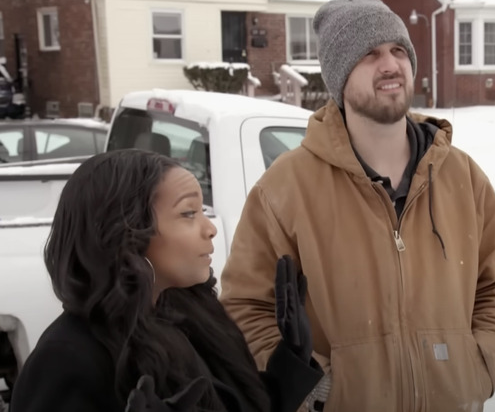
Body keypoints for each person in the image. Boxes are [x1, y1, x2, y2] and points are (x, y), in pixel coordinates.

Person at [219, 0, 495, 412]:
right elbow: (244, 306)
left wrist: (479, 367)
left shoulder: (464, 179)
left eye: (399, 50)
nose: (391, 64)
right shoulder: (285, 189)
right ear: (339, 76)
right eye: (370, 54)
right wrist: (309, 386)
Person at [10, 149, 322, 412]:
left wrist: (291, 360)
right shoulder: (68, 358)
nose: (209, 228)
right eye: (188, 213)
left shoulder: (191, 319)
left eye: (202, 211)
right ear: (127, 232)